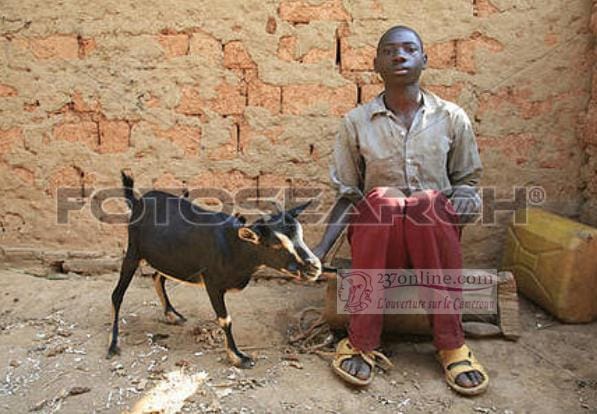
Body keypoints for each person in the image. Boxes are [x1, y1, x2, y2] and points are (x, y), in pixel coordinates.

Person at [313, 25, 489, 395]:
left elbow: (467, 182)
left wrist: (464, 201)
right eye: (390, 50)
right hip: (378, 239)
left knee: (426, 202)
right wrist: (318, 251)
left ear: (424, 60)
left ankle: (451, 343)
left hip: (433, 238)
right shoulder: (356, 122)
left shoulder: (452, 117)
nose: (399, 56)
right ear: (377, 63)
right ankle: (361, 342)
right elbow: (348, 195)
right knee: (383, 200)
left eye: (410, 49)